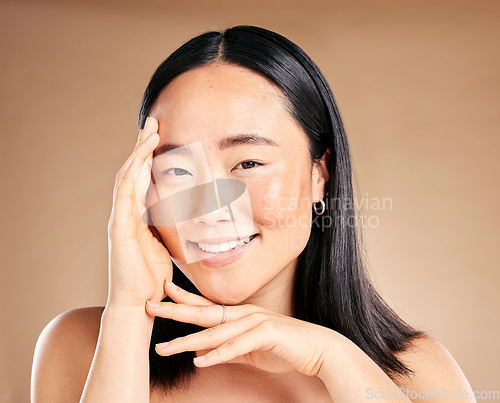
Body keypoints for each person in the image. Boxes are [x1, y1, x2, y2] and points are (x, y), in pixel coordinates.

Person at [31, 25, 475, 402]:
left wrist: (333, 358)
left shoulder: (415, 372)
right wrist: (128, 312)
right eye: (178, 170)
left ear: (320, 175)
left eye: (247, 164)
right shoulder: (81, 347)